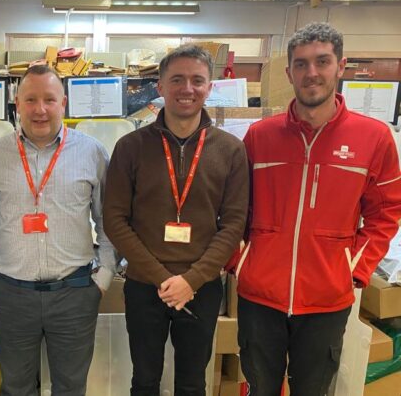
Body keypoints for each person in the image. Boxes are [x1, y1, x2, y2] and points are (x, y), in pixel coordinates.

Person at [231, 22, 401, 396]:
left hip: (327, 297)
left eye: (322, 62)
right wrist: (240, 259)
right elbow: (234, 209)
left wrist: (354, 269)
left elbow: (385, 212)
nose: (312, 73)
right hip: (260, 296)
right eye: (302, 64)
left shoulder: (373, 138)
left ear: (340, 66)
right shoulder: (260, 136)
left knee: (314, 389)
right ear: (290, 71)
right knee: (260, 388)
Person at [103, 44, 249, 395]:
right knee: (145, 380)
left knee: (191, 382)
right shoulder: (131, 147)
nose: (187, 88)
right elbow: (115, 219)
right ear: (161, 86)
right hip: (144, 286)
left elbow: (234, 224)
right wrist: (163, 278)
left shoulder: (230, 150)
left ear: (209, 87)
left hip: (202, 287)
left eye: (197, 80)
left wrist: (192, 280)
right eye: (178, 79)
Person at [0, 65, 117, 396]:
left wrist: (104, 277)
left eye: (49, 100)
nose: (40, 109)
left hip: (75, 293)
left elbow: (108, 219)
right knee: (15, 387)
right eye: (31, 100)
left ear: (63, 103)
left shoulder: (92, 152)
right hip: (10, 294)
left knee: (70, 387)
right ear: (17, 103)